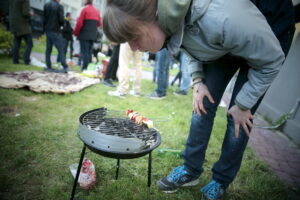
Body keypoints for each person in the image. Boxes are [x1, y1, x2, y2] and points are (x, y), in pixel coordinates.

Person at [103, 0, 295, 199]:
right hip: (227, 38)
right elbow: (189, 41)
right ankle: (190, 169)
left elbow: (271, 61)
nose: (133, 48)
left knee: (237, 118)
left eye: (134, 38)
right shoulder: (172, 19)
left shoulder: (220, 20)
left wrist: (243, 104)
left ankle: (220, 180)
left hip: (270, 30)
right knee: (202, 102)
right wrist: (197, 80)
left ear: (154, 18)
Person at [74, 0, 102, 71]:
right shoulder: (96, 11)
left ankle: (85, 67)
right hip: (93, 35)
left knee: (84, 51)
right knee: (89, 51)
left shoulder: (84, 9)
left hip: (84, 34)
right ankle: (89, 67)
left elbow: (79, 23)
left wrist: (76, 33)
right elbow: (99, 24)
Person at [43, 0, 69, 73]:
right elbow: (61, 19)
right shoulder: (59, 6)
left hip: (48, 29)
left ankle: (48, 66)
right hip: (56, 30)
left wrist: (43, 29)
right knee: (61, 49)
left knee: (48, 49)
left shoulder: (46, 4)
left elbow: (44, 18)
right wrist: (63, 24)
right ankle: (65, 66)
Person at [9, 0, 33, 65]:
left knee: (16, 42)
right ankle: (26, 60)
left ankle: (15, 61)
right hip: (23, 24)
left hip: (14, 23)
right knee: (29, 43)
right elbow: (25, 13)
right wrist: (30, 14)